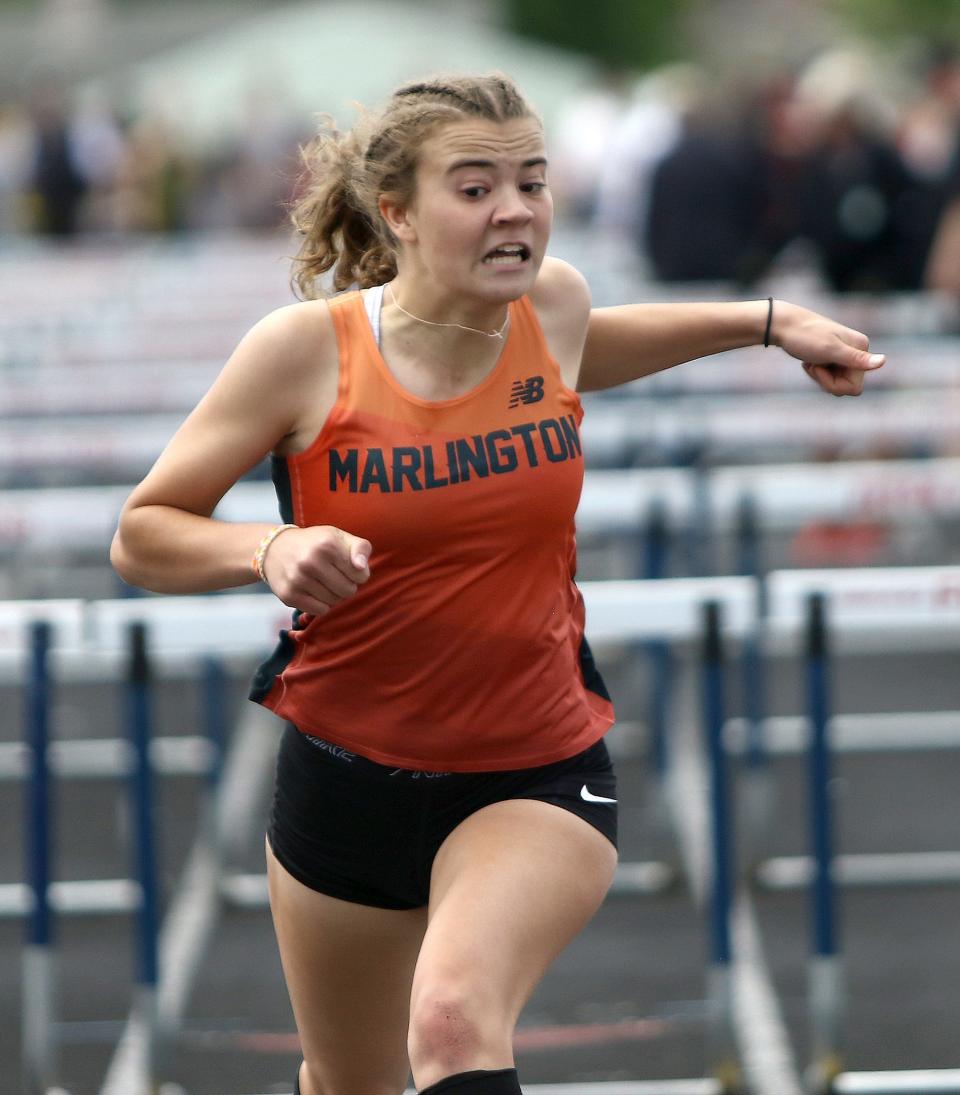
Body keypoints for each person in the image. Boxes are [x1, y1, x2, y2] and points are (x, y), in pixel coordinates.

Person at [110, 72, 885, 1095]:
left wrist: (770, 322)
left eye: (533, 180)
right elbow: (141, 534)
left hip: (534, 766)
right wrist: (264, 550)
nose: (515, 208)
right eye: (474, 188)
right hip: (346, 776)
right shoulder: (303, 354)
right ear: (399, 214)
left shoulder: (549, 307)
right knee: (351, 1082)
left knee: (453, 1019)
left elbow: (578, 354)